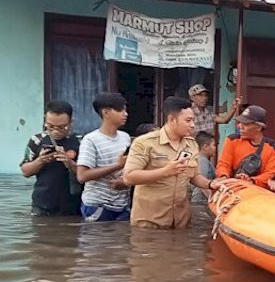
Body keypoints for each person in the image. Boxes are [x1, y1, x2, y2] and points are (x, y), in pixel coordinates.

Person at [123, 96, 221, 229]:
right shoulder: (145, 143)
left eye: (193, 120)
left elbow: (194, 176)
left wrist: (210, 184)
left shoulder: (191, 144)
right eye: (188, 120)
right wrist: (165, 171)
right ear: (172, 120)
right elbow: (129, 177)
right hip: (150, 223)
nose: (193, 125)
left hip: (181, 221)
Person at [76, 92, 132, 222]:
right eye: (120, 110)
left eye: (125, 109)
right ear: (106, 113)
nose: (125, 114)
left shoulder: (125, 137)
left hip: (122, 205)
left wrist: (125, 181)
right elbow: (82, 176)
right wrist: (117, 166)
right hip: (97, 205)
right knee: (98, 241)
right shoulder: (90, 140)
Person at [20, 100, 81, 216]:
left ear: (71, 122)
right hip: (42, 205)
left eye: (62, 127)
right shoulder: (37, 140)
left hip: (73, 205)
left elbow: (87, 174)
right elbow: (25, 171)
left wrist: (69, 163)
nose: (55, 131)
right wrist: (40, 161)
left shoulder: (81, 141)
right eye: (50, 126)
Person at [216, 106, 275, 189]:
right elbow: (224, 164)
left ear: (259, 127)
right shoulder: (232, 140)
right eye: (240, 122)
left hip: (259, 193)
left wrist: (250, 180)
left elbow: (269, 175)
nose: (239, 126)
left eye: (246, 124)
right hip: (232, 188)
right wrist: (224, 177)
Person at [191, 131, 217, 204]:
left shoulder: (203, 160)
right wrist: (214, 201)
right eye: (214, 145)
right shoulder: (202, 161)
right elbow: (203, 186)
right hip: (201, 202)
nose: (215, 148)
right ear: (205, 147)